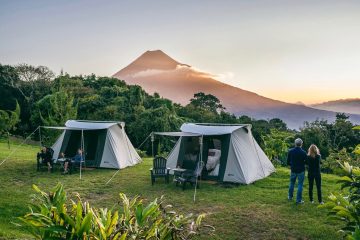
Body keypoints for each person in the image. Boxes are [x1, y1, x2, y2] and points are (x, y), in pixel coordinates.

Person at [287, 138, 307, 204]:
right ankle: (298, 200)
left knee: (292, 183)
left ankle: (290, 197)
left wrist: (291, 165)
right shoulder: (304, 152)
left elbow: (288, 162)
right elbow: (306, 162)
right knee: (300, 184)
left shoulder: (290, 151)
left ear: (295, 143)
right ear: (301, 144)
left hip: (293, 169)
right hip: (301, 170)